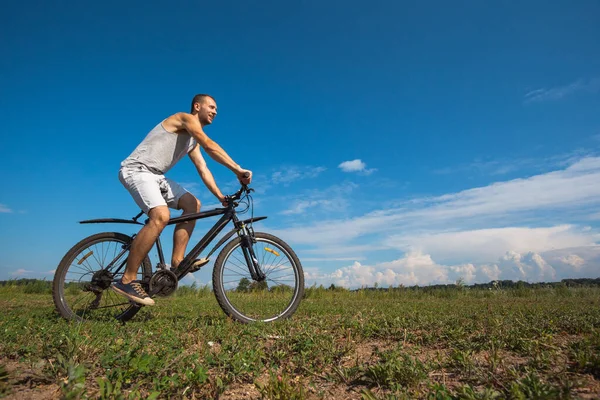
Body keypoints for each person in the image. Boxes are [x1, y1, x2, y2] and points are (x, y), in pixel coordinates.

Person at [111, 94, 252, 306]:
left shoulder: (192, 141)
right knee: (161, 216)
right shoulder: (184, 118)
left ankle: (177, 261)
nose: (215, 112)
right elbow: (210, 145)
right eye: (211, 107)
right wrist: (238, 169)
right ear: (197, 106)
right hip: (137, 170)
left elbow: (203, 169)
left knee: (193, 204)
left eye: (216, 110)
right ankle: (127, 279)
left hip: (156, 176)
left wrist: (221, 196)